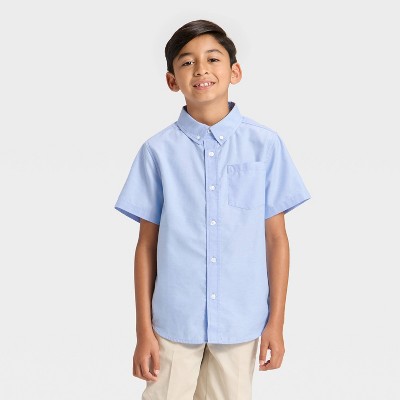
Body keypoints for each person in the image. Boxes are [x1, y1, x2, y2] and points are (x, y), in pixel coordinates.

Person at [114, 19, 311, 400]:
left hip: (240, 322)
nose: (201, 69)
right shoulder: (157, 152)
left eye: (213, 59)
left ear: (235, 72)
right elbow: (146, 246)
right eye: (187, 62)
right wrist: (143, 330)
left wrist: (276, 322)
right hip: (173, 322)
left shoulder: (265, 146)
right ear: (172, 80)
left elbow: (276, 240)